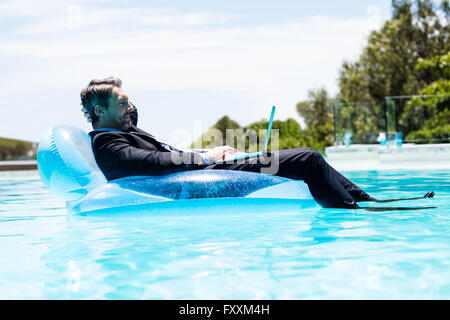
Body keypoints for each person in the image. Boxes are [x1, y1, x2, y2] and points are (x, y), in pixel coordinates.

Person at [80, 77, 435, 211]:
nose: (130, 107)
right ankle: (354, 207)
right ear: (100, 110)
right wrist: (204, 161)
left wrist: (209, 153)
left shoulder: (119, 133)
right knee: (308, 159)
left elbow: (156, 156)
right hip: (197, 180)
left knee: (306, 158)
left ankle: (364, 198)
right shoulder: (108, 142)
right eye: (122, 102)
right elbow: (146, 165)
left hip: (203, 168)